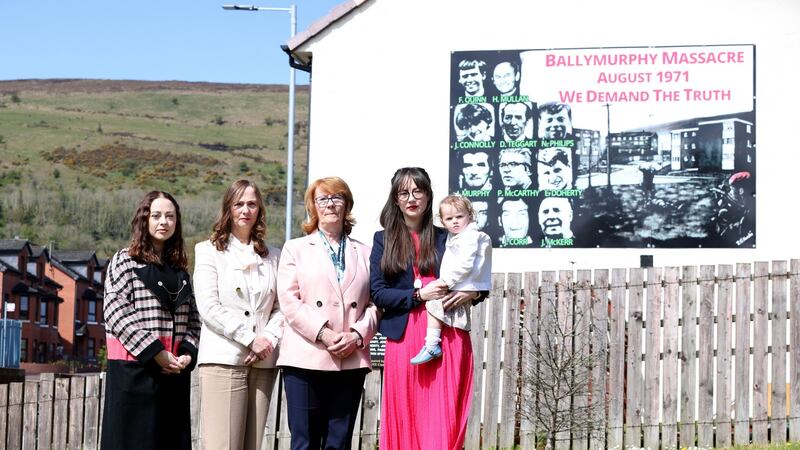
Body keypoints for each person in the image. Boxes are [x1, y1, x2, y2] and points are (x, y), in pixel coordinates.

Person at [370, 167, 486, 450]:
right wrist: (418, 295)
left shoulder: (449, 236)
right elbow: (377, 293)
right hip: (405, 336)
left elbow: (478, 271)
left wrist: (475, 291)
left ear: (428, 195)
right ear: (395, 199)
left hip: (448, 336)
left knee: (444, 417)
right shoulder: (382, 240)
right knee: (407, 414)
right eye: (403, 193)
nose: (411, 198)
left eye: (417, 191)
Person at [277, 177, 378, 450]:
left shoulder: (367, 253)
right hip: (305, 356)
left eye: (337, 198)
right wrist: (324, 333)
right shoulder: (295, 248)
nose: (330, 204)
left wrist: (357, 335)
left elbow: (376, 303)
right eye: (323, 199)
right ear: (313, 206)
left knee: (339, 442)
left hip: (351, 357)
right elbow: (288, 300)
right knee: (304, 441)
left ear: (347, 205)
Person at [102, 191, 200, 450]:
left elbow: (194, 319)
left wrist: (187, 354)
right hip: (133, 374)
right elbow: (116, 311)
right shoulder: (124, 262)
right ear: (144, 220)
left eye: (170, 216)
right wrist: (156, 352)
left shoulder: (180, 270)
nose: (163, 222)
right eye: (156, 216)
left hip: (174, 375)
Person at [193, 180, 283, 450]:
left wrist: (267, 339)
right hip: (224, 359)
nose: (246, 210)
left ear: (260, 210)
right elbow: (208, 306)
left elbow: (281, 307)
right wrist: (248, 338)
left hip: (263, 362)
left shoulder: (275, 256)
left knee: (252, 445)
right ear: (228, 209)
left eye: (252, 204)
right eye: (239, 204)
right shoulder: (208, 251)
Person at [410, 195, 492, 365]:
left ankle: (432, 345)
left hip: (460, 283)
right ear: (443, 221)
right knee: (447, 311)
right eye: (449, 219)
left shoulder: (469, 237)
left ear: (469, 215)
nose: (455, 222)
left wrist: (446, 282)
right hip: (459, 284)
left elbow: (465, 264)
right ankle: (432, 345)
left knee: (434, 304)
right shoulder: (455, 235)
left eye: (459, 217)